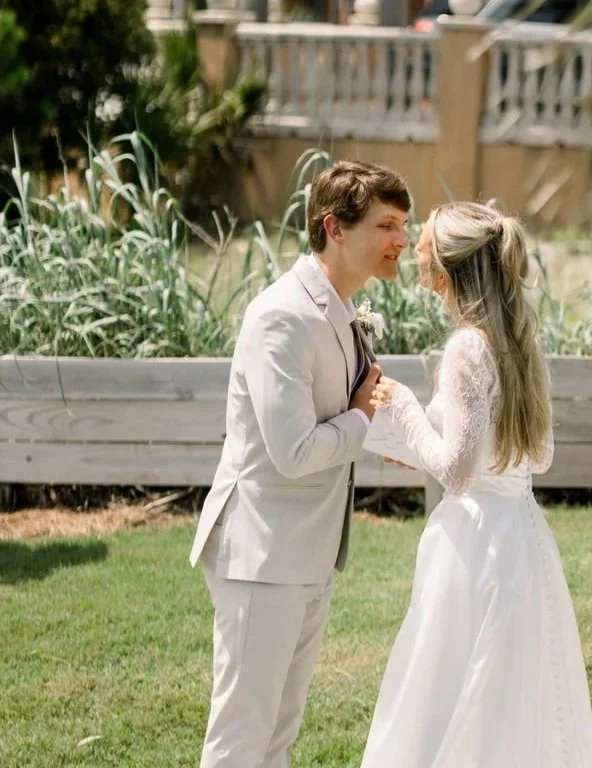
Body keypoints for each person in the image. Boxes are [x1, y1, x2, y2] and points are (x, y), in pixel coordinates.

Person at [187, 160, 411, 768]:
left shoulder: (339, 308)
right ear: (335, 228)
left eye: (403, 225)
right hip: (262, 555)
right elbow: (294, 452)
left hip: (308, 553)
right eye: (387, 225)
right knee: (241, 740)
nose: (401, 239)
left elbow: (351, 410)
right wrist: (362, 420)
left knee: (277, 739)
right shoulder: (282, 316)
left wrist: (391, 432)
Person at [362, 201, 592, 767]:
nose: (416, 253)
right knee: (514, 688)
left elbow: (458, 471)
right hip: (522, 533)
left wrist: (404, 408)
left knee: (449, 681)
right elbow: (537, 456)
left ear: (447, 268)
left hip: (473, 545)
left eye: (424, 246)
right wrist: (420, 438)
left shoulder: (467, 348)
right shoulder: (520, 340)